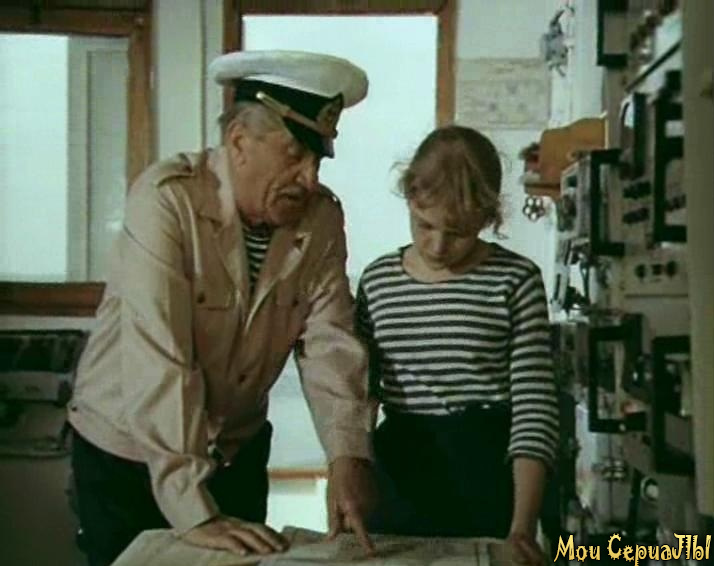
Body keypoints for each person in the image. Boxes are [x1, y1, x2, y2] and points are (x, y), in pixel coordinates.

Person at [68, 50, 378, 566]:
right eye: (294, 155)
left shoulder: (320, 219)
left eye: (318, 160)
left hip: (234, 453)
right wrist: (195, 512)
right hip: (128, 454)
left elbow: (330, 345)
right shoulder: (167, 202)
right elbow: (161, 358)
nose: (309, 177)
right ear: (238, 141)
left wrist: (348, 457)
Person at [355, 126, 559, 564]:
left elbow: (534, 405)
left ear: (487, 217)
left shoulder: (515, 279)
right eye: (424, 225)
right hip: (400, 470)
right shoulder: (378, 281)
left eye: (458, 231)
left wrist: (522, 527)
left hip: (485, 470)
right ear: (410, 197)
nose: (438, 245)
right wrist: (348, 481)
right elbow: (358, 398)